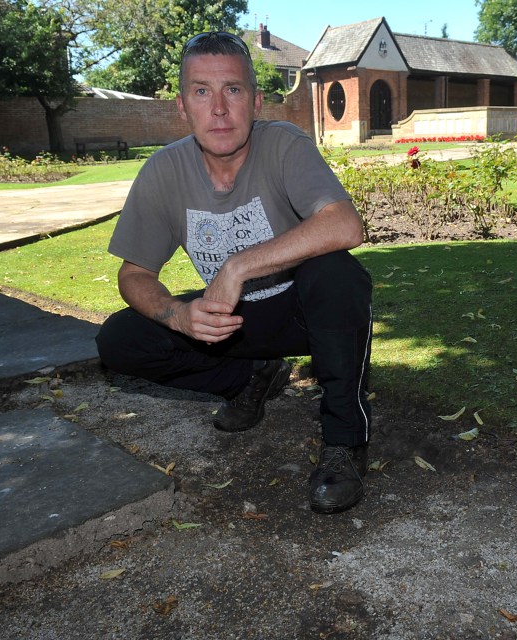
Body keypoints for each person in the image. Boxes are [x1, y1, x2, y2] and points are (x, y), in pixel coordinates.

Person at [95, 31, 373, 514]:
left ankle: (343, 444)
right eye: (202, 91)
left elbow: (345, 225)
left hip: (303, 314)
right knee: (119, 338)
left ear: (257, 101)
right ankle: (248, 377)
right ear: (182, 105)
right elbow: (134, 273)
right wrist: (178, 315)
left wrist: (238, 265)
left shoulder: (284, 144)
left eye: (233, 90)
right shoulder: (163, 171)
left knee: (337, 273)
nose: (218, 109)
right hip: (231, 324)